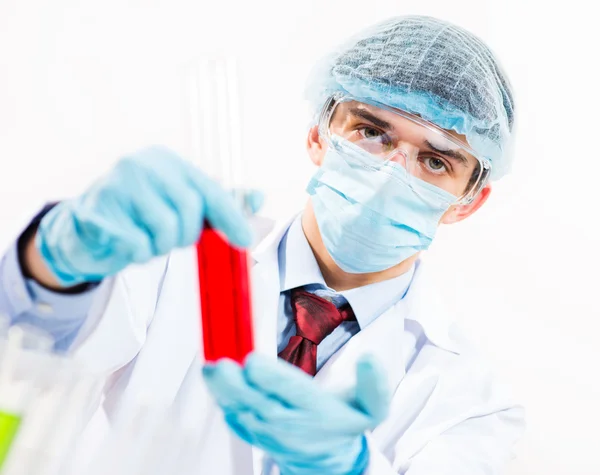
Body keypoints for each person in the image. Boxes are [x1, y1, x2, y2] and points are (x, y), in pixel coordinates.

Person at [0, 15, 524, 475]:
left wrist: (349, 469)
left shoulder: (471, 401)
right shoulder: (173, 256)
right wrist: (50, 262)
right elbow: (32, 350)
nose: (390, 174)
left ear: (466, 203)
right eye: (371, 131)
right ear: (318, 135)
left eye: (435, 161)